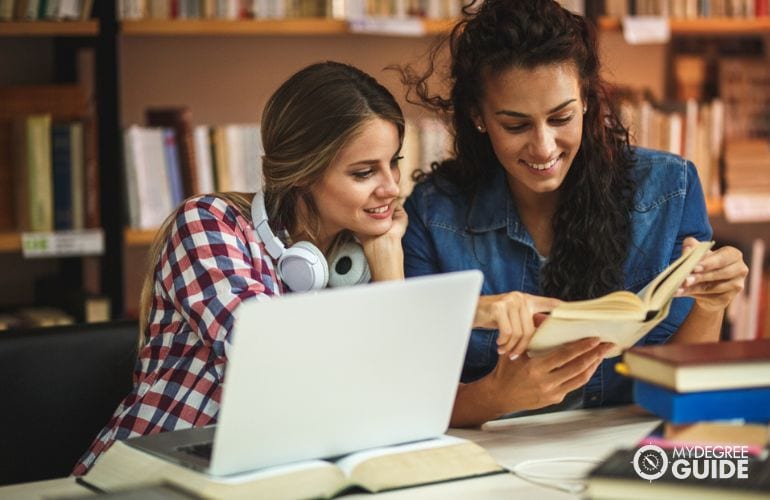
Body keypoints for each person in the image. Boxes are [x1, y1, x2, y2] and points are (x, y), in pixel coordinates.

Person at [399, 0, 748, 427]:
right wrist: (495, 396)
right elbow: (409, 399)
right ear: (478, 117)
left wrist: (713, 304)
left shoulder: (668, 189)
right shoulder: (435, 213)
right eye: (516, 125)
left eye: (561, 117)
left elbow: (688, 384)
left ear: (585, 101)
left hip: (627, 444)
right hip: (497, 458)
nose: (544, 147)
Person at [73, 61, 407, 474]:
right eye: (364, 172)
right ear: (302, 172)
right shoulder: (208, 224)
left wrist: (388, 260)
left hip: (272, 472)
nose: (392, 187)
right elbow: (268, 364)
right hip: (150, 475)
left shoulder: (359, 255)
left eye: (394, 162)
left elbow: (398, 402)